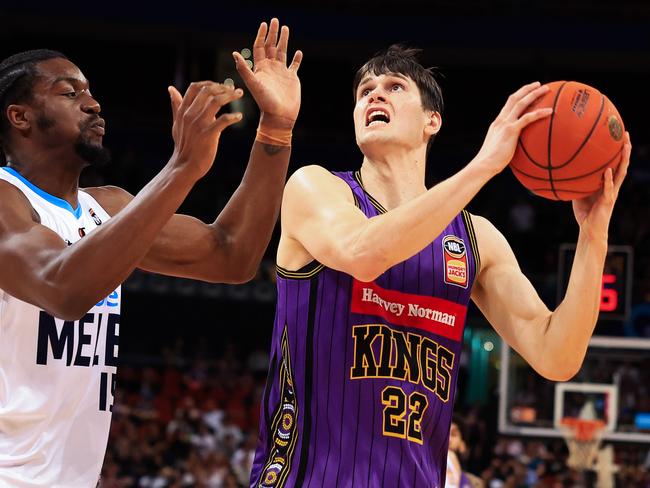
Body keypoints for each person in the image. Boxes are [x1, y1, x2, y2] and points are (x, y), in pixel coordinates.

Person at [250, 46, 631, 487]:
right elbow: (364, 254)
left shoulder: (476, 239)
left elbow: (557, 355)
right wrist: (485, 164)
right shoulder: (316, 188)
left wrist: (594, 234)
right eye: (365, 92)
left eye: (395, 87)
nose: (375, 96)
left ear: (432, 121)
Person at [0, 18, 302, 487]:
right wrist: (181, 168)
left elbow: (233, 256)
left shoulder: (110, 208)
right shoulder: (4, 201)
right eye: (68, 93)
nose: (93, 103)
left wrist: (276, 130)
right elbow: (62, 288)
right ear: (19, 116)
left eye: (90, 92)